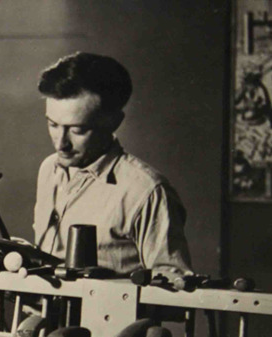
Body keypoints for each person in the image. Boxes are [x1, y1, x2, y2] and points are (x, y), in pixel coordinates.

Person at [34, 52, 193, 275]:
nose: (61, 144)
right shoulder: (49, 169)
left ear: (114, 122)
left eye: (77, 130)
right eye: (53, 124)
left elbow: (171, 288)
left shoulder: (146, 191)